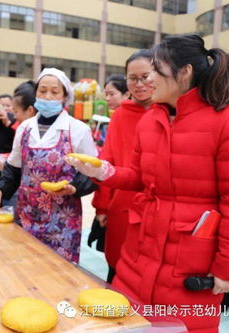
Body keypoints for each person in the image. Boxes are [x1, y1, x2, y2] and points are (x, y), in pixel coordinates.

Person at [67, 34, 229, 332]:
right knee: (131, 323)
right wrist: (104, 172)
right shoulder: (151, 121)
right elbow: (141, 178)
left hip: (191, 260)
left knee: (182, 327)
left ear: (184, 72)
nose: (148, 79)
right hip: (140, 250)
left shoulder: (228, 123)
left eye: (155, 69)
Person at [0, 68, 98, 263]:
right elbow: (13, 168)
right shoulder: (24, 128)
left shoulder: (78, 129)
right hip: (26, 215)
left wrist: (75, 188)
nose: (47, 96)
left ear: (65, 97)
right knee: (24, 267)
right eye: (42, 90)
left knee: (58, 274)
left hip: (62, 221)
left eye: (54, 92)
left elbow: (93, 173)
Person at [91, 51, 154, 283]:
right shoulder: (120, 116)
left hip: (156, 210)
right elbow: (108, 163)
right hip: (123, 206)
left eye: (145, 76)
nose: (139, 84)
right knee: (117, 270)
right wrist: (102, 207)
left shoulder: (171, 114)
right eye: (132, 78)